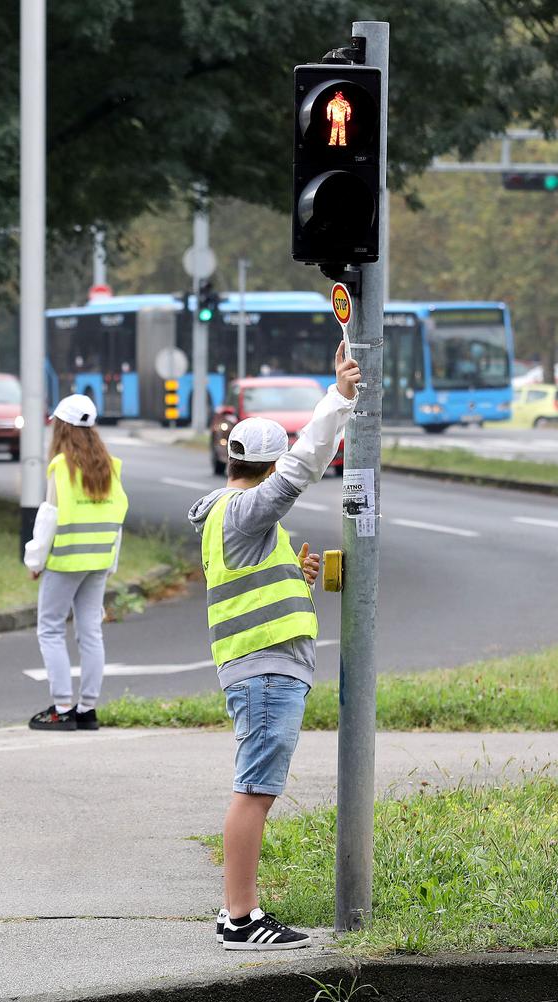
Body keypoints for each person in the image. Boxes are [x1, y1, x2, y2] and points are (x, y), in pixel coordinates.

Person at [187, 341, 358, 951]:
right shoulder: (241, 512)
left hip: (263, 668)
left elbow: (252, 586)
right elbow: (304, 466)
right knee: (255, 790)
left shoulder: (236, 519)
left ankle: (241, 912)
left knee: (256, 787)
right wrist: (338, 398)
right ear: (266, 465)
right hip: (264, 671)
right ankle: (240, 918)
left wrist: (298, 578)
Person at [22, 393, 128, 730]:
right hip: (99, 561)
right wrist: (110, 563)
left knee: (51, 629)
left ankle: (63, 706)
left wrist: (35, 560)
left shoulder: (61, 467)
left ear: (62, 427)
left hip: (65, 560)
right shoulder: (110, 466)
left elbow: (48, 519)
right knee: (90, 632)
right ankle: (87, 709)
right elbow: (116, 521)